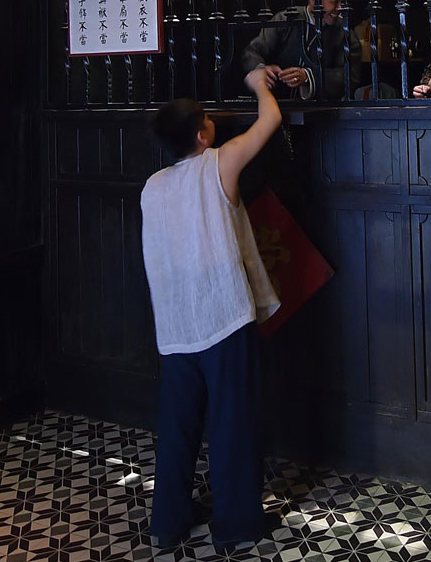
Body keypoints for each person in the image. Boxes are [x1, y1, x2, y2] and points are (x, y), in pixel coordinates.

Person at [141, 68, 283, 552]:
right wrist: (258, 82)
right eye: (206, 118)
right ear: (202, 135)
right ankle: (236, 523)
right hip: (223, 315)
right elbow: (270, 120)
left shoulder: (152, 186)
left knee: (177, 425)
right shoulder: (220, 163)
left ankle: (167, 522)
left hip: (176, 324)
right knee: (231, 420)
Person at [238, 0, 349, 100]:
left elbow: (348, 77)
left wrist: (308, 77)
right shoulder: (285, 20)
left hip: (321, 109)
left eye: (341, 1)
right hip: (277, 103)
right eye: (334, 1)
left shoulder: (343, 33)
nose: (340, 7)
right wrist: (261, 70)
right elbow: (252, 52)